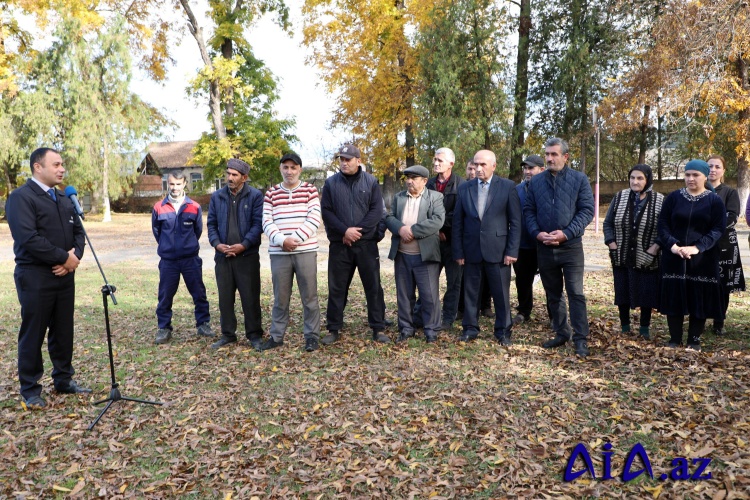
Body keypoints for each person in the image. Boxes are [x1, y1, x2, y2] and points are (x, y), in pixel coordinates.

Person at [6, 147, 89, 409]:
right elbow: (28, 238)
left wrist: (72, 259)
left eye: (62, 164)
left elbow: (79, 232)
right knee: (34, 331)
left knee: (63, 330)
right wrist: (62, 258)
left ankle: (63, 379)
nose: (61, 169)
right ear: (37, 167)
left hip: (64, 275)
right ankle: (30, 389)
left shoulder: (64, 198)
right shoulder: (21, 198)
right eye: (56, 164)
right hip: (36, 276)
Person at [524, 137, 594, 357]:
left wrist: (566, 233)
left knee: (575, 294)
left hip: (571, 247)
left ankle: (581, 339)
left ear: (565, 156)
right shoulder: (536, 182)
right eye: (547, 154)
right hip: (545, 247)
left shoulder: (579, 179)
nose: (549, 158)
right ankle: (561, 332)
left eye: (554, 154)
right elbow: (528, 211)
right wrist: (537, 233)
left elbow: (586, 211)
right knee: (553, 294)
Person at [320, 144, 389, 344]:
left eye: (348, 159)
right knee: (337, 287)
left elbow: (376, 211)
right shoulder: (331, 183)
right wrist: (344, 231)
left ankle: (378, 327)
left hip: (366, 245)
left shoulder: (371, 181)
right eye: (341, 159)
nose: (344, 163)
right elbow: (327, 211)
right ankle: (333, 328)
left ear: (358, 161)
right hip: (340, 245)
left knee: (373, 287)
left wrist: (356, 231)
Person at [453, 149, 521, 344]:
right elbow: (458, 222)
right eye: (476, 164)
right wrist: (458, 250)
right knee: (471, 293)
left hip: (499, 252)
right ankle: (470, 328)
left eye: (483, 165)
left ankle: (503, 331)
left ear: (493, 166)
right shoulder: (465, 188)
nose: (478, 168)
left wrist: (511, 251)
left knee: (501, 294)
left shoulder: (508, 187)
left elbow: (516, 222)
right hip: (471, 250)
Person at [657, 159, 726, 351]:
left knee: (699, 297)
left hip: (702, 258)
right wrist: (672, 245)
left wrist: (698, 247)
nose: (690, 178)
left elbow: (718, 229)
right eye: (687, 175)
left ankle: (694, 340)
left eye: (695, 175)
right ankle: (674, 339)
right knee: (675, 296)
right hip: (674, 256)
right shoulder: (673, 198)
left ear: (705, 176)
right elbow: (662, 225)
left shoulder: (714, 201)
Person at [259, 153, 322, 352]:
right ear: (280, 169)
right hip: (279, 254)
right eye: (285, 167)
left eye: (293, 167)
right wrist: (282, 240)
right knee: (280, 298)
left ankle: (311, 336)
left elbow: (314, 219)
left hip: (305, 251)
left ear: (299, 170)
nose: (289, 171)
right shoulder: (271, 193)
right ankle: (277, 336)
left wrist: (294, 239)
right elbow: (266, 221)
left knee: (309, 297)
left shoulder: (310, 190)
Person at [207, 158, 265, 350]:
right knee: (225, 298)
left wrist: (244, 245)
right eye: (228, 173)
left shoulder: (255, 196)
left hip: (246, 257)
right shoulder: (217, 196)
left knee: (250, 298)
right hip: (223, 257)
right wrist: (217, 245)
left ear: (244, 177)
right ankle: (228, 334)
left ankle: (254, 335)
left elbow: (258, 225)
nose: (230, 178)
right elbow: (211, 224)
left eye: (234, 175)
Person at [602, 164, 663, 339]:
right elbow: (608, 223)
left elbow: (665, 228)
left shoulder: (659, 200)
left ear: (648, 180)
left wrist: (655, 247)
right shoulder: (620, 196)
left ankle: (644, 328)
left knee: (646, 292)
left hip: (647, 255)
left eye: (640, 178)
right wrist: (611, 243)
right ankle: (625, 326)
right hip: (621, 253)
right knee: (622, 289)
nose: (635, 182)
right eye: (632, 178)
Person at [151, 170, 212, 344]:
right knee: (165, 295)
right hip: (168, 261)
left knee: (199, 292)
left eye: (178, 184)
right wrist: (168, 246)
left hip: (190, 259)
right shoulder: (159, 207)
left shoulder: (194, 206)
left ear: (184, 184)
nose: (175, 187)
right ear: (167, 184)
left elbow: (197, 231)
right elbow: (157, 232)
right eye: (172, 184)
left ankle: (203, 324)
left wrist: (186, 246)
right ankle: (164, 327)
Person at [386, 165, 445, 343]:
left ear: (425, 181)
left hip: (425, 256)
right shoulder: (399, 197)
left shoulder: (435, 197)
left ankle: (431, 329)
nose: (409, 181)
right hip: (403, 254)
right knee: (404, 295)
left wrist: (411, 230)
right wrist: (400, 229)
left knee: (429, 295)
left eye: (414, 178)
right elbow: (389, 217)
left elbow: (437, 220)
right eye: (407, 178)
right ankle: (406, 328)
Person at [413, 148, 463, 330]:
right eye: (434, 159)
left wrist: (442, 227)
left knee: (454, 282)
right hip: (431, 241)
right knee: (427, 281)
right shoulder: (428, 184)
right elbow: (421, 211)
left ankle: (448, 318)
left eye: (440, 160)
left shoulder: (461, 185)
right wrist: (436, 229)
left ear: (451, 163)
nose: (435, 163)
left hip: (453, 242)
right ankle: (419, 317)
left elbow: (459, 215)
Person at [707, 155, 745, 335]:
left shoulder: (729, 192)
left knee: (722, 284)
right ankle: (699, 316)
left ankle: (719, 321)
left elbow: (732, 217)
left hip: (724, 243)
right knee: (703, 281)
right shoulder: (698, 189)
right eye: (709, 166)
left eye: (717, 166)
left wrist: (711, 230)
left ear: (723, 170)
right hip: (699, 244)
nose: (713, 170)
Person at [512, 154, 546, 325]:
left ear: (542, 169)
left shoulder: (549, 188)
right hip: (523, 243)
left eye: (531, 168)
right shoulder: (517, 190)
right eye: (525, 168)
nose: (527, 171)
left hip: (544, 243)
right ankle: (524, 311)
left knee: (550, 280)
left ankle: (555, 316)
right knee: (522, 279)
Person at [457, 160, 492, 320]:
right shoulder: (464, 188)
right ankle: (464, 310)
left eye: (475, 168)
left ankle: (485, 305)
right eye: (470, 168)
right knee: (467, 279)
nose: (473, 171)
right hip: (468, 241)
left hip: (488, 243)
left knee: (487, 277)